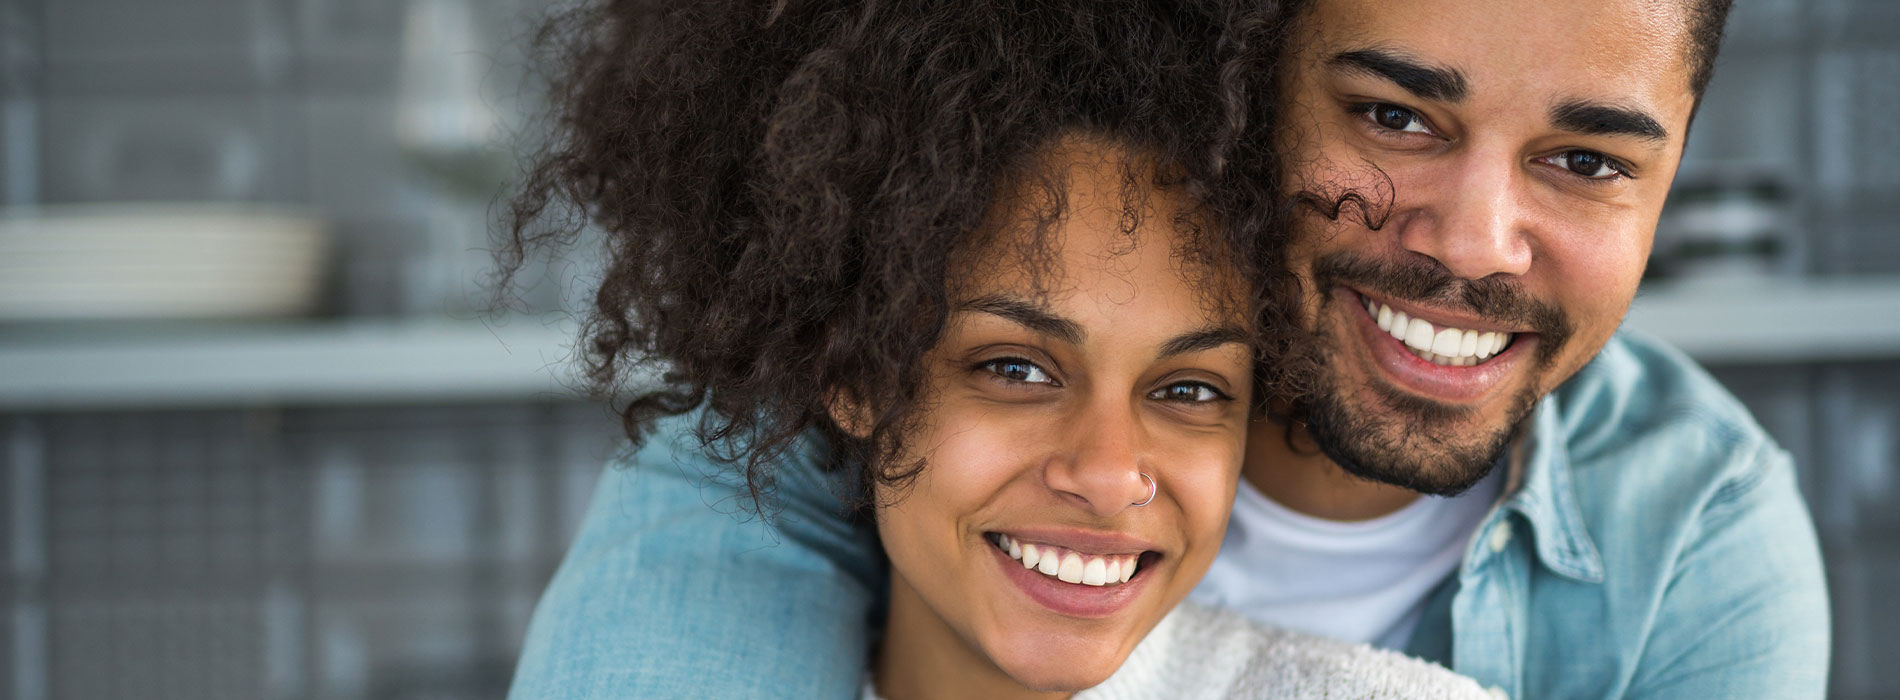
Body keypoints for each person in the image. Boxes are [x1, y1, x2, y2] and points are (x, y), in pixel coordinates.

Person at [506, 0, 1832, 698]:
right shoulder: (807, 414)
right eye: (1396, 117)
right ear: (1247, 89)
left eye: (1588, 159)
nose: (1480, 242)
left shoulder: (1697, 538)